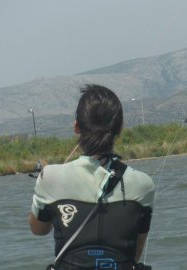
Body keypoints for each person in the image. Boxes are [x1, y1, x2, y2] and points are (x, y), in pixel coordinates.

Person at [29, 84, 155, 270]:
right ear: (119, 128)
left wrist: (46, 185)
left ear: (76, 127)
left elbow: (38, 230)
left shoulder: (50, 176)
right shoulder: (143, 184)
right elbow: (135, 254)